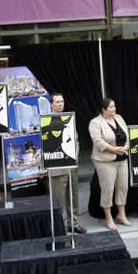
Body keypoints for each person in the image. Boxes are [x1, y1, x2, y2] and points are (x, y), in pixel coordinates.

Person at [89, 97, 132, 230]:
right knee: (108, 189)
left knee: (123, 187)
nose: (114, 109)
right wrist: (114, 149)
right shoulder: (95, 122)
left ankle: (121, 214)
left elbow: (128, 134)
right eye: (111, 107)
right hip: (105, 161)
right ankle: (108, 218)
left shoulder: (119, 118)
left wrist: (125, 148)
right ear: (103, 110)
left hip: (122, 158)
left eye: (114, 106)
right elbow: (98, 141)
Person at [48, 93, 86, 234]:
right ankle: (62, 226)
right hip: (57, 166)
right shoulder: (46, 121)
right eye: (57, 102)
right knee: (60, 199)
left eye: (62, 101)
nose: (60, 104)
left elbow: (75, 140)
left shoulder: (69, 119)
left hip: (71, 164)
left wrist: (73, 158)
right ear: (51, 104)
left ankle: (73, 223)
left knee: (73, 196)